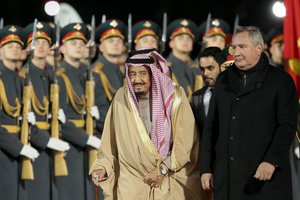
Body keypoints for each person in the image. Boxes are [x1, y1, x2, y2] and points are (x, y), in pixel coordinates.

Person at [90, 48, 210, 200]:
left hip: (168, 181)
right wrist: (102, 167)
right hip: (131, 185)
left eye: (142, 74)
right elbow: (109, 142)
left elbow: (186, 143)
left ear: (153, 75)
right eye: (132, 74)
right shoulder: (121, 97)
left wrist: (162, 170)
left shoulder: (175, 98)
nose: (136, 79)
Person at [200, 26, 298, 200]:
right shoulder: (223, 80)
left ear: (259, 48)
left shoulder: (280, 81)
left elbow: (287, 127)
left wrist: (271, 160)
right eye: (234, 47)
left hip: (264, 179)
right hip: (227, 180)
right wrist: (206, 168)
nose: (236, 52)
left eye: (242, 47)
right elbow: (212, 127)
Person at [20, 21, 70, 200]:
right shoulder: (22, 76)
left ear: (50, 47)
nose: (40, 46)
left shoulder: (53, 77)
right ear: (27, 47)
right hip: (34, 146)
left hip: (53, 145)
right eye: (35, 42)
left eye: (44, 42)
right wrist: (48, 141)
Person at [56, 22, 102, 200]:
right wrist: (87, 139)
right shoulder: (59, 76)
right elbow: (61, 121)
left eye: (81, 44)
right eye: (72, 43)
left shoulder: (87, 74)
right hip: (72, 145)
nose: (78, 47)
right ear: (62, 48)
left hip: (89, 141)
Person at [0, 25, 39, 200]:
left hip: (20, 144)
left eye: (17, 46)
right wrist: (19, 147)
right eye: (9, 46)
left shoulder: (20, 79)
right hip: (5, 149)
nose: (15, 50)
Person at [92, 19, 126, 132]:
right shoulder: (97, 72)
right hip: (107, 132)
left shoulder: (121, 70)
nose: (116, 44)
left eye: (119, 41)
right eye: (111, 41)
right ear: (101, 47)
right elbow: (101, 108)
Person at [190, 47, 225, 138]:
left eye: (210, 68)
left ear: (222, 67)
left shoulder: (236, 93)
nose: (205, 73)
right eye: (202, 69)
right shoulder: (196, 97)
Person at [166, 18, 198, 99]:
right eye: (180, 38)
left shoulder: (198, 66)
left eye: (188, 38)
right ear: (171, 43)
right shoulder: (165, 67)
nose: (185, 41)